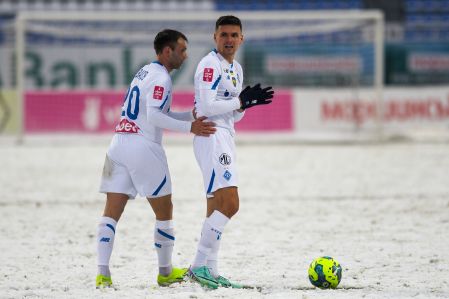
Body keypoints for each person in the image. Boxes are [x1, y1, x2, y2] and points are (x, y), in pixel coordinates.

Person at [95, 29, 216, 288]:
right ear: (167, 51)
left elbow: (158, 111)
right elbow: (154, 117)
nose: (185, 56)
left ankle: (103, 273)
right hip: (143, 147)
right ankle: (165, 271)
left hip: (118, 143)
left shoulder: (145, 72)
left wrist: (189, 116)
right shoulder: (162, 78)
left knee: (111, 212)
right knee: (165, 210)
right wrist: (190, 128)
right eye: (182, 50)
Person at [187, 15, 274, 289]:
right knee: (231, 204)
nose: (228, 40)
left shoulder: (236, 68)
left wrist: (244, 106)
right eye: (223, 34)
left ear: (241, 38)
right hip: (211, 136)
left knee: (215, 205)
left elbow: (234, 117)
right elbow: (208, 105)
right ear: (215, 37)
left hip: (225, 135)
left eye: (234, 35)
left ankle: (210, 271)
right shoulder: (209, 66)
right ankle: (198, 265)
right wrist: (239, 100)